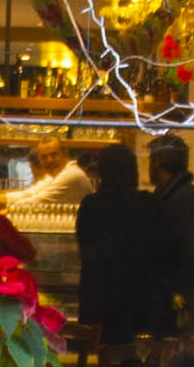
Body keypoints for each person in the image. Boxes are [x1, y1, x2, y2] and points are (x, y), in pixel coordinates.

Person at [67, 145, 170, 350]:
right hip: (141, 298)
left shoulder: (92, 205)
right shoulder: (150, 204)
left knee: (98, 359)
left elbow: (86, 250)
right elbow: (161, 252)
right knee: (137, 358)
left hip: (100, 298)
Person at [141, 135, 194, 332]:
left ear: (157, 161)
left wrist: (188, 295)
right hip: (181, 295)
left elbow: (191, 251)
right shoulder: (183, 195)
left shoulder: (181, 199)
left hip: (183, 298)